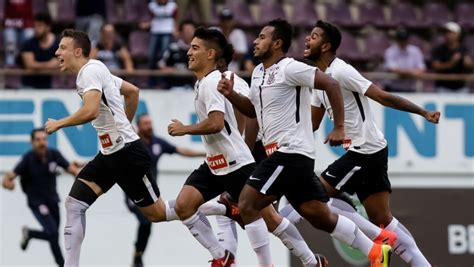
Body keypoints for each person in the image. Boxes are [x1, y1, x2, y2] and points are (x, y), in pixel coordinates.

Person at [217, 18, 392, 267]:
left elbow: (330, 83)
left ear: (277, 43)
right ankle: (376, 251)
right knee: (319, 216)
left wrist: (339, 126)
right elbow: (253, 110)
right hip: (283, 156)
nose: (255, 41)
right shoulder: (257, 73)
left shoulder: (290, 67)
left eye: (262, 37)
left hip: (290, 152)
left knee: (246, 203)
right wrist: (231, 94)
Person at [291, 20, 439, 266]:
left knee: (313, 195)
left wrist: (422, 112)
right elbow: (312, 123)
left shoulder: (341, 71)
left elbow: (382, 96)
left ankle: (273, 224)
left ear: (326, 46)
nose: (307, 39)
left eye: (314, 36)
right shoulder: (317, 79)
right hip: (372, 150)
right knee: (384, 220)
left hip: (365, 151)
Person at [45, 29, 171, 266]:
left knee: (159, 213)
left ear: (78, 51)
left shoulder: (88, 72)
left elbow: (91, 110)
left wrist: (59, 123)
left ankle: (218, 209)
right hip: (110, 154)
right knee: (74, 204)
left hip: (125, 154)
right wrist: (124, 125)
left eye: (62, 47)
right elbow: (133, 92)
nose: (57, 52)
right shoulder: (97, 69)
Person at [129, 113, 205, 267]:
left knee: (152, 220)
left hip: (151, 193)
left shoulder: (157, 143)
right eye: (145, 123)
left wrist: (203, 153)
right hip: (133, 193)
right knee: (145, 221)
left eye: (150, 122)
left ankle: (138, 254)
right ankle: (137, 255)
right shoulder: (132, 142)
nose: (149, 126)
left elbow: (179, 150)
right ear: (138, 126)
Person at [2, 128, 80, 267]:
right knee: (52, 233)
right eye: (38, 140)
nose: (42, 143)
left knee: (54, 235)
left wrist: (80, 176)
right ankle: (63, 264)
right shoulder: (28, 159)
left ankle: (30, 234)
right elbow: (10, 177)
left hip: (53, 201)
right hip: (37, 203)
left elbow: (71, 169)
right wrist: (8, 184)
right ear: (32, 142)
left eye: (44, 139)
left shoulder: (54, 155)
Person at [431, 21, 473, 93]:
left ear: (458, 34)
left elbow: (470, 65)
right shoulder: (439, 49)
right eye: (446, 33)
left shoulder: (464, 49)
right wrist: (451, 63)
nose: (448, 35)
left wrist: (468, 64)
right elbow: (435, 66)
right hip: (443, 87)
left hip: (461, 87)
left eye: (451, 33)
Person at [20, 13, 60, 89]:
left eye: (39, 26)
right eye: (35, 26)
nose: (36, 29)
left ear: (48, 27)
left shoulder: (59, 44)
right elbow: (30, 65)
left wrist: (37, 65)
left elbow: (61, 64)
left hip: (51, 87)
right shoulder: (28, 44)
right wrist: (50, 64)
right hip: (28, 86)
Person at [384, 27, 426, 92]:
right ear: (397, 40)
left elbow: (421, 68)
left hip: (410, 88)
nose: (403, 42)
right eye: (401, 39)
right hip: (393, 88)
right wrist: (411, 72)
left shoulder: (415, 51)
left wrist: (405, 72)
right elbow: (392, 69)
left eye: (404, 39)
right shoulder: (390, 51)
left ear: (408, 39)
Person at [157, 19, 196, 88]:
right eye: (186, 30)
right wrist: (167, 69)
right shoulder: (172, 48)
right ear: (181, 32)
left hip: (191, 86)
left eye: (190, 30)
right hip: (172, 86)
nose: (188, 32)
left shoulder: (197, 50)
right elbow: (161, 64)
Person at [3, 0, 34, 67]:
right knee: (10, 39)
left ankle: (27, 63)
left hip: (26, 24)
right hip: (10, 24)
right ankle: (10, 64)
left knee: (29, 35)